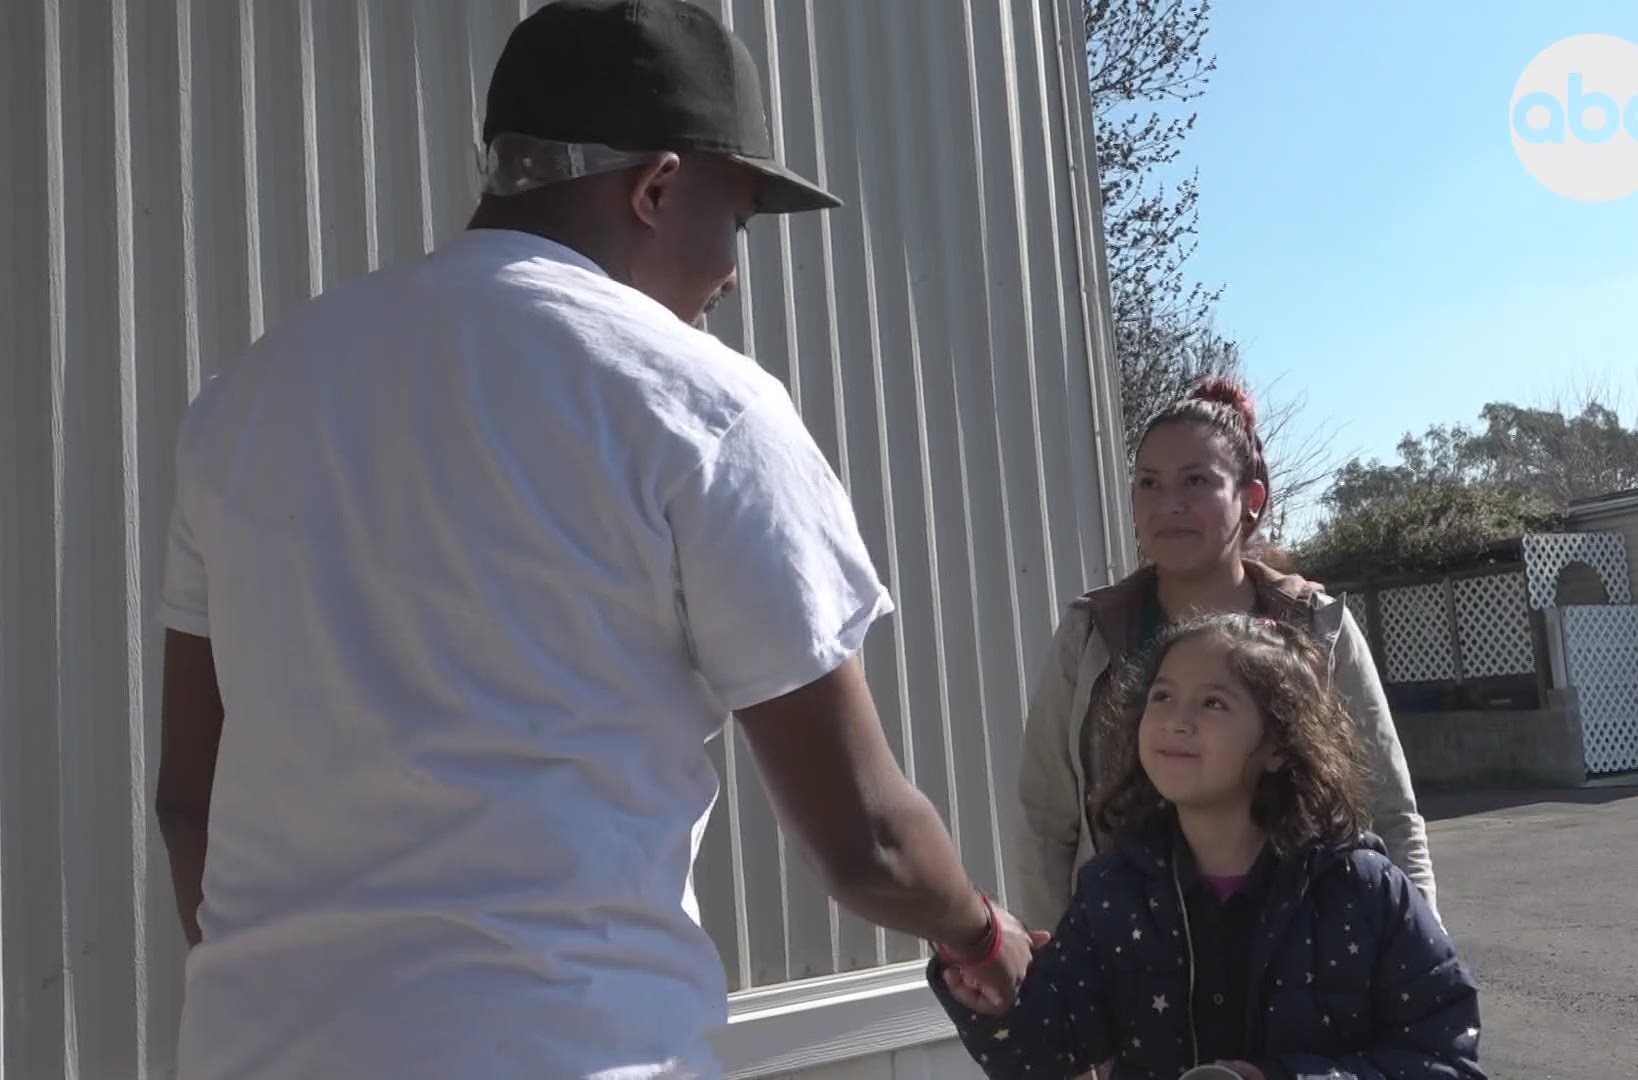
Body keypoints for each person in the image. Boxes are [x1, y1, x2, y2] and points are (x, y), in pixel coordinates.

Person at [152, 3, 1038, 1077]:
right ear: (656, 187)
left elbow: (188, 796)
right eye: (740, 218)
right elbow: (869, 840)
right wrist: (983, 933)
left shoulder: (245, 401)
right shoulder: (700, 408)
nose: (736, 270)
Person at [933, 615, 1483, 1079]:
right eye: (1163, 695)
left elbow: (1444, 1057)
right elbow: (1053, 1046)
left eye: (1214, 703)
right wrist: (999, 1005)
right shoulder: (1113, 891)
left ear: (1278, 745)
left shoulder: (1363, 891)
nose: (1177, 719)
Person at [1017, 378, 1436, 938]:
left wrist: (1422, 957)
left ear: (1251, 500)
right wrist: (1057, 968)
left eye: (1196, 481)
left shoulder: (1316, 626)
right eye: (1148, 483)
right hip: (1129, 970)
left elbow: (1388, 808)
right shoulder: (1094, 633)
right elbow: (1045, 819)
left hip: (1302, 963)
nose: (1169, 504)